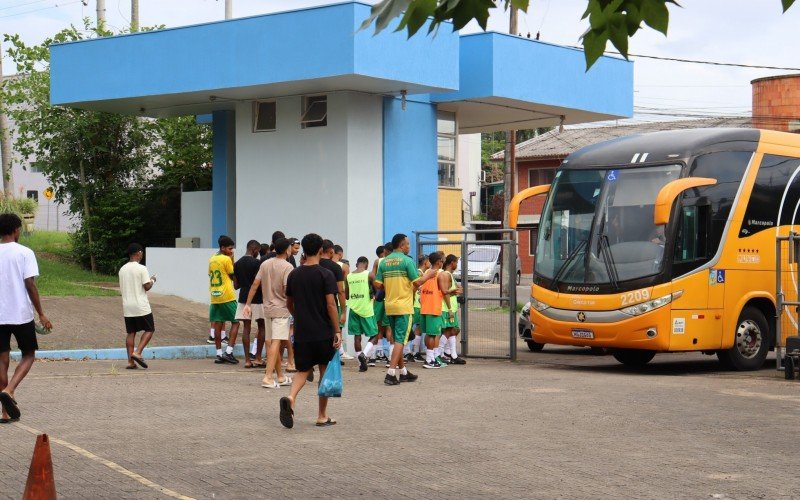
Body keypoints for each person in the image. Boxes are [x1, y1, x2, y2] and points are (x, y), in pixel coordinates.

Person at [279, 233, 342, 428]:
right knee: (324, 372)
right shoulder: (326, 274)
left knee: (302, 370)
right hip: (323, 331)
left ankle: (290, 398)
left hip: (302, 331)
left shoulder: (294, 274)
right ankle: (322, 416)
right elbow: (331, 304)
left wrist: (298, 316)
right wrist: (337, 330)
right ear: (321, 250)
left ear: (304, 250)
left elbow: (289, 302)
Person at [0, 213, 52, 423]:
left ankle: (4, 412)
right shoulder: (24, 252)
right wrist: (41, 313)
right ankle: (10, 390)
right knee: (29, 354)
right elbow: (30, 284)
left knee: (2, 360)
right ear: (15, 230)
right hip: (21, 314)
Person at [374, 233, 434, 385]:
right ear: (401, 245)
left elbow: (377, 285)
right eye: (407, 244)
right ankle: (391, 373)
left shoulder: (384, 262)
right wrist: (428, 275)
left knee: (397, 338)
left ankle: (403, 372)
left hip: (390, 306)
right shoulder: (407, 261)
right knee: (401, 340)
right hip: (404, 306)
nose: (409, 246)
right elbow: (417, 282)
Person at [245, 238, 293, 388]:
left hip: (267, 309)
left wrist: (248, 303)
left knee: (272, 341)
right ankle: (267, 377)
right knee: (276, 342)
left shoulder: (265, 264)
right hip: (281, 309)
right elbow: (287, 290)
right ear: (287, 250)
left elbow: (255, 284)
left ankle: (280, 376)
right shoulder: (288, 266)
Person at [118, 243, 156, 370]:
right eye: (141, 252)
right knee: (150, 329)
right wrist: (153, 280)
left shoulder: (122, 269)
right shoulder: (141, 268)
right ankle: (138, 352)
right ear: (138, 253)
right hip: (140, 305)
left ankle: (130, 361)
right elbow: (146, 286)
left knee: (131, 332)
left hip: (127, 306)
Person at [234, 240, 266, 368]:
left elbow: (236, 286)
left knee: (246, 328)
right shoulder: (257, 263)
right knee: (262, 327)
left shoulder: (237, 264)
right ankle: (258, 357)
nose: (258, 253)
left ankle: (247, 360)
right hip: (257, 298)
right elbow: (259, 283)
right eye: (258, 251)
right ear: (254, 249)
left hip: (243, 298)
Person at [209, 235, 239, 364]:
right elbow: (233, 276)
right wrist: (232, 260)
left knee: (218, 323)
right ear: (222, 248)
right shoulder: (226, 259)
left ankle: (219, 353)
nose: (231, 251)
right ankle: (229, 352)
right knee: (236, 322)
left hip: (214, 296)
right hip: (227, 295)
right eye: (230, 248)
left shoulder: (212, 259)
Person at [347, 256, 378, 372]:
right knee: (375, 334)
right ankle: (364, 354)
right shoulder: (369, 274)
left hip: (354, 309)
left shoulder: (349, 276)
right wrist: (372, 295)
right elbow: (377, 291)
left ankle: (361, 365)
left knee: (357, 336)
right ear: (367, 264)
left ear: (356, 264)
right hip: (366, 309)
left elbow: (346, 294)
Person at [320, 240, 347, 361]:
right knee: (332, 334)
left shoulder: (314, 265)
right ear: (331, 251)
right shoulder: (336, 267)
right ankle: (333, 359)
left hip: (314, 305)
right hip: (331, 305)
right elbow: (341, 291)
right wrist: (344, 311)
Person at [419, 252, 446, 369]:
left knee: (429, 334)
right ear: (438, 261)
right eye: (442, 260)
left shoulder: (426, 273)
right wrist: (453, 291)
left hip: (425, 307)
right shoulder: (439, 274)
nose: (443, 262)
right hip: (433, 307)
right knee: (432, 334)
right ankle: (429, 360)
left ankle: (430, 358)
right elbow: (444, 291)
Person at [439, 254, 466, 365]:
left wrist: (456, 291)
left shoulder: (450, 275)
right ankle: (440, 353)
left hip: (451, 308)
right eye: (456, 262)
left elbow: (450, 292)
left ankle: (451, 354)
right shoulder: (446, 274)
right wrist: (449, 309)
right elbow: (444, 293)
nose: (457, 265)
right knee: (450, 330)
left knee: (453, 330)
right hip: (446, 308)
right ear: (452, 263)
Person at [405, 253, 430, 363]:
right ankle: (412, 353)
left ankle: (412, 352)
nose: (430, 263)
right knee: (417, 329)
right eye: (429, 261)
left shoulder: (421, 273)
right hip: (417, 305)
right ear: (425, 263)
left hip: (418, 305)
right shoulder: (419, 274)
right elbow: (416, 289)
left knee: (417, 329)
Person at [332, 244, 354, 361]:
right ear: (340, 254)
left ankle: (337, 352)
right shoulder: (344, 266)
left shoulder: (324, 264)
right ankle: (340, 352)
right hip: (339, 301)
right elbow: (346, 285)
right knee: (338, 328)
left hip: (328, 299)